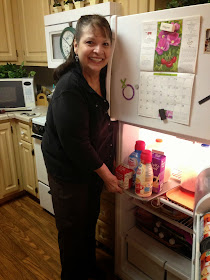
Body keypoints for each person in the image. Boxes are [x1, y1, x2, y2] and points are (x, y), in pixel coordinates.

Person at [41, 14, 123, 280]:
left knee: (87, 225)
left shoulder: (103, 76)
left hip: (90, 171)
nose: (99, 50)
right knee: (73, 232)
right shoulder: (69, 88)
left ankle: (87, 270)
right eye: (91, 42)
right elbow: (77, 144)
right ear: (76, 45)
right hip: (68, 174)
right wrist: (107, 175)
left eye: (105, 43)